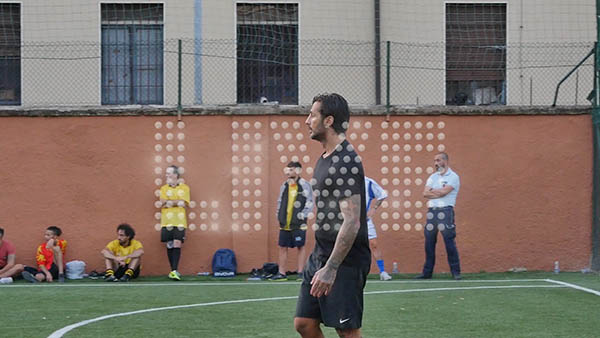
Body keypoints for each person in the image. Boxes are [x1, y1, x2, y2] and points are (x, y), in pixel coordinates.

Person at [295, 93, 371, 338]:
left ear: (328, 121)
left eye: (312, 115)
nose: (307, 121)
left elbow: (352, 221)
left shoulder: (345, 161)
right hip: (321, 254)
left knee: (346, 331)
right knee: (304, 323)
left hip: (345, 261)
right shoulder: (324, 158)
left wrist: (331, 267)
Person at [415, 152, 462, 280]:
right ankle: (427, 273)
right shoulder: (433, 177)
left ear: (445, 161)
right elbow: (425, 193)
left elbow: (445, 192)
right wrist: (438, 193)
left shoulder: (453, 177)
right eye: (435, 160)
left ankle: (456, 272)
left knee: (449, 242)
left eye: (438, 160)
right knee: (429, 243)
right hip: (432, 212)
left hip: (445, 212)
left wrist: (434, 192)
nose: (436, 163)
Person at [271, 161, 314, 281]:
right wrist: (279, 216)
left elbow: (310, 202)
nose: (288, 172)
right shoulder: (284, 185)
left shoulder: (305, 185)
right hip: (285, 223)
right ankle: (282, 273)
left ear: (298, 171)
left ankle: (300, 273)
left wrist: (302, 216)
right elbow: (280, 201)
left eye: (292, 169)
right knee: (282, 247)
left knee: (300, 246)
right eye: (288, 170)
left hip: (299, 223)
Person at [159, 165, 190, 281]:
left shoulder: (185, 188)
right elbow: (162, 202)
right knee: (169, 244)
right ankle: (172, 271)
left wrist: (170, 202)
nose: (166, 175)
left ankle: (174, 270)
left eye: (169, 173)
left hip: (180, 221)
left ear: (176, 175)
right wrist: (176, 202)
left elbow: (184, 203)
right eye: (166, 173)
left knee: (177, 243)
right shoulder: (163, 188)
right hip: (167, 221)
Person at [364, 176, 392, 281]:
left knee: (374, 244)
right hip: (349, 221)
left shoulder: (368, 182)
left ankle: (382, 272)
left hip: (365, 220)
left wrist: (373, 209)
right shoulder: (345, 181)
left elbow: (382, 194)